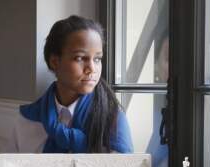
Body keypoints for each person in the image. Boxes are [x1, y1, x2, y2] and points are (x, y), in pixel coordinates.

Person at [9, 15, 133, 153]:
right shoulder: (26, 120)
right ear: (55, 62)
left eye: (97, 59)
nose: (92, 68)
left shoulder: (112, 120)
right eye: (80, 58)